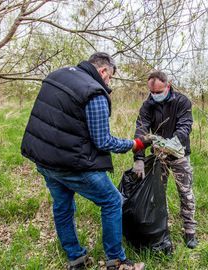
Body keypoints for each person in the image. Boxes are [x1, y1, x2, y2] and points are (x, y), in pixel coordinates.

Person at [21, 52, 146, 270]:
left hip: (42, 158)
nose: (109, 83)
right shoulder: (94, 92)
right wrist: (134, 145)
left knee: (62, 206)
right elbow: (104, 142)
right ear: (103, 71)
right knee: (112, 201)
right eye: (110, 78)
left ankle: (75, 259)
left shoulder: (57, 75)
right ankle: (117, 262)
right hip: (70, 164)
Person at [132, 71, 197, 249]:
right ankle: (162, 228)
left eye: (158, 92)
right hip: (158, 156)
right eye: (152, 92)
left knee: (185, 191)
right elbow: (141, 130)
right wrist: (138, 157)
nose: (155, 96)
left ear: (167, 86)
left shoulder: (181, 101)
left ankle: (190, 230)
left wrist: (172, 144)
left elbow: (185, 126)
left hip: (178, 154)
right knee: (158, 195)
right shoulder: (147, 105)